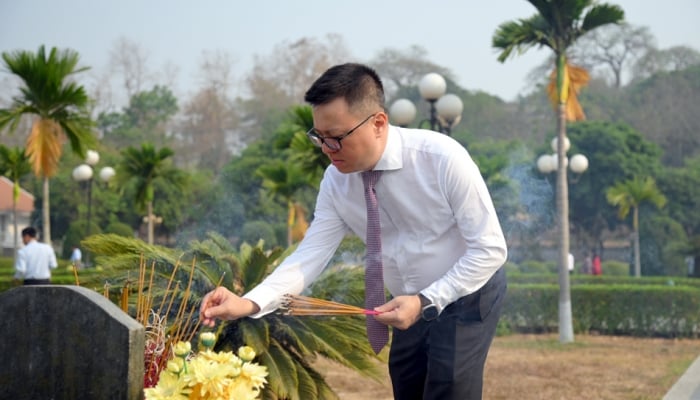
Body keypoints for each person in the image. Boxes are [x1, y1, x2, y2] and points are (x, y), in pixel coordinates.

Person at [199, 63, 507, 400]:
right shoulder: (336, 182)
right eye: (319, 137)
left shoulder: (442, 158)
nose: (327, 150)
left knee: (448, 387)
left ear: (378, 123)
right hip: (405, 303)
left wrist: (424, 301)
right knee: (408, 387)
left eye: (337, 138)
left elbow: (489, 249)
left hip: (466, 291)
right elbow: (310, 255)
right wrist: (248, 302)